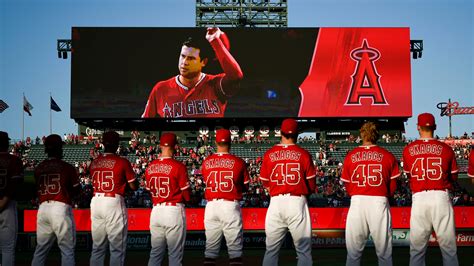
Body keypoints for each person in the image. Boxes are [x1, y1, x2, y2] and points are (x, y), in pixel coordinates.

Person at [142, 27, 243, 118]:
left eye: (191, 58)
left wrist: (214, 41)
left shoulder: (215, 84)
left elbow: (236, 75)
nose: (184, 62)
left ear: (203, 62)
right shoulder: (160, 89)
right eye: (182, 56)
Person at [402, 113, 459, 266]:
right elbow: (453, 177)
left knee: (417, 250)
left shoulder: (408, 149)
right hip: (441, 196)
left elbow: (409, 176)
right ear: (434, 127)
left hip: (420, 197)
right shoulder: (446, 149)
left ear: (418, 127)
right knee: (449, 249)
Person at [340, 122, 400, 266]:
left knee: (353, 254)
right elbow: (393, 186)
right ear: (377, 135)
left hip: (357, 202)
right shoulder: (387, 155)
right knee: (384, 254)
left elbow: (347, 185)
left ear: (361, 134)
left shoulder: (351, 155)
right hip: (379, 201)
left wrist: (358, 194)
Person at [259, 118, 316, 266]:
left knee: (271, 250)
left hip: (276, 202)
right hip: (297, 201)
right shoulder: (304, 154)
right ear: (297, 134)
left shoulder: (270, 154)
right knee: (303, 251)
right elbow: (311, 185)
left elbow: (265, 182)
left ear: (281, 133)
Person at [200, 129, 250, 265]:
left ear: (216, 142)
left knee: (210, 252)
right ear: (230, 142)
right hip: (229, 204)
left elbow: (206, 182)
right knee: (235, 252)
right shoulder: (238, 162)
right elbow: (245, 186)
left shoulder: (206, 162)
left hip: (211, 205)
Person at [31, 134, 81, 266]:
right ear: (59, 148)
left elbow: (35, 189)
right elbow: (77, 190)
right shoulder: (67, 167)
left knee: (40, 250)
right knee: (67, 250)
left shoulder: (39, 168)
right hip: (60, 207)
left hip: (42, 208)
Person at [89, 131, 138, 266]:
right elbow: (134, 185)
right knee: (117, 248)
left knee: (97, 248)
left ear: (103, 144)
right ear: (117, 144)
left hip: (96, 201)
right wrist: (125, 187)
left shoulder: (94, 162)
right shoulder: (122, 161)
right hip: (113, 200)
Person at [145, 133, 191, 266]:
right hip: (173, 210)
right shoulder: (178, 166)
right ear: (175, 146)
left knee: (155, 254)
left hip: (156, 210)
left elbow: (149, 190)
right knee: (175, 256)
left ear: (160, 146)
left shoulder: (150, 166)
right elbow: (187, 195)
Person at [0, 131, 23, 266]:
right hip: (7, 205)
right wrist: (3, 203)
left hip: (6, 202)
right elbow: (15, 185)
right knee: (7, 248)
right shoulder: (14, 160)